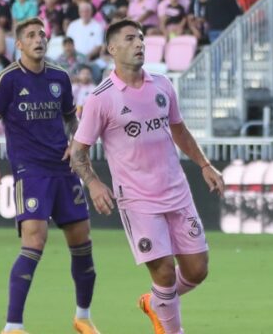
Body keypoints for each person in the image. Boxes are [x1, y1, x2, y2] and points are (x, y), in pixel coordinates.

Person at [70, 20, 224, 334]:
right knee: (165, 273)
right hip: (138, 200)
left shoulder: (163, 85)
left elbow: (179, 129)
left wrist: (205, 165)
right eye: (130, 39)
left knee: (197, 270)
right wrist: (95, 183)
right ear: (112, 49)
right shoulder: (101, 99)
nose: (140, 43)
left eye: (141, 38)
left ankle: (156, 303)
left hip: (177, 191)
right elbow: (77, 153)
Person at [0, 18, 100, 334]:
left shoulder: (59, 77)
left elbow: (73, 120)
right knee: (35, 238)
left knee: (82, 241)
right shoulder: (6, 80)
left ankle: (83, 317)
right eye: (30, 35)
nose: (38, 39)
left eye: (42, 33)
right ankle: (13, 325)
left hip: (63, 170)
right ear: (19, 44)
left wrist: (76, 143)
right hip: (30, 171)